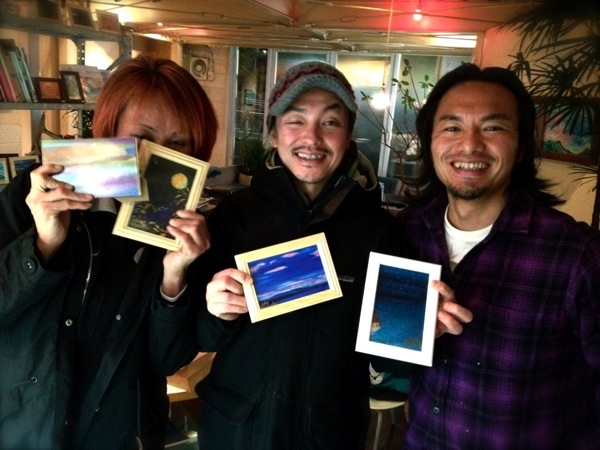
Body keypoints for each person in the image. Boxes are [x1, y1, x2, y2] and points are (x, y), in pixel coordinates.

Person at [191, 61, 472, 449]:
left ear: (348, 136)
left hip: (329, 433)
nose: (312, 138)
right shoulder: (234, 216)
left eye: (330, 122)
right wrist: (216, 310)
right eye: (296, 120)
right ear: (272, 133)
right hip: (236, 427)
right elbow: (201, 335)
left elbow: (391, 362)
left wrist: (422, 331)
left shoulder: (378, 230)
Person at [0, 54, 218, 449]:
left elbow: (168, 361)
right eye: (142, 140)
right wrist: (43, 245)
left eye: (177, 143)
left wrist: (174, 277)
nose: (155, 159)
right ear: (109, 130)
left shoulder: (189, 231)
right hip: (22, 428)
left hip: (121, 435)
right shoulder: (34, 197)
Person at [395, 63, 600, 449]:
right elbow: (388, 349)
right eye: (452, 127)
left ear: (521, 147)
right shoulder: (406, 233)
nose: (469, 145)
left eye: (492, 128)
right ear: (429, 141)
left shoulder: (576, 256)